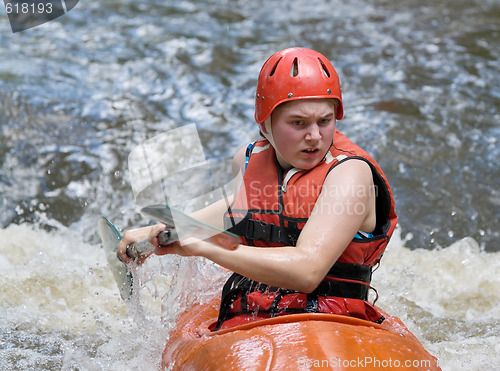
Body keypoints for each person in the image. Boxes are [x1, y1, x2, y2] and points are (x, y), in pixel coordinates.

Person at [118, 47, 397, 331]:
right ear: (265, 124)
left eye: (324, 121)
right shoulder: (250, 160)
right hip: (254, 313)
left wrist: (204, 247)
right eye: (298, 123)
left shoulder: (350, 173)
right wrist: (172, 228)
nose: (314, 136)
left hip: (336, 321)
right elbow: (234, 210)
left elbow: (307, 270)